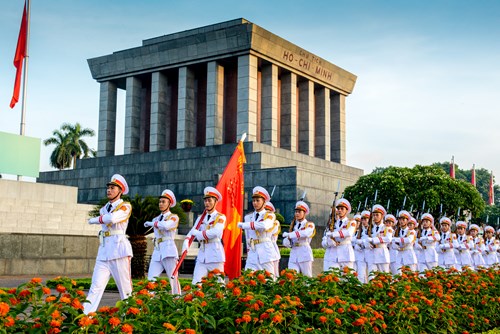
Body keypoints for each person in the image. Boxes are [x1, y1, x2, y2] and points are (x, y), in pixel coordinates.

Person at [84, 174, 133, 314]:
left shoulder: (125, 207)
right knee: (95, 287)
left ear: (120, 191)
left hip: (119, 250)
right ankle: (84, 319)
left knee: (125, 290)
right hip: (104, 250)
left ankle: (131, 318)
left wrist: (96, 220)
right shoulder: (104, 208)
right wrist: (101, 218)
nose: (109, 190)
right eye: (108, 188)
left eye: (113, 188)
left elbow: (112, 218)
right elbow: (107, 217)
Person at [182, 187, 226, 285]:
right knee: (196, 284)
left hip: (215, 256)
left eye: (209, 200)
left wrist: (198, 234)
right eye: (205, 201)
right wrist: (186, 240)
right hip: (202, 256)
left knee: (219, 285)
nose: (207, 203)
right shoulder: (200, 218)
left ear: (215, 202)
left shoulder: (220, 217)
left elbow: (216, 232)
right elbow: (192, 231)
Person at [144, 189, 181, 294]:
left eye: (164, 202)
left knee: (173, 278)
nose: (161, 204)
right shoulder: (156, 218)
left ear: (169, 203)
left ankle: (177, 302)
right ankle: (148, 303)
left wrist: (152, 224)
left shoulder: (173, 217)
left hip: (169, 250)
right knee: (151, 279)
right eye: (160, 201)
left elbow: (166, 225)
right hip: (157, 250)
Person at [238, 187, 279, 277]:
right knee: (247, 278)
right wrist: (248, 248)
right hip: (253, 251)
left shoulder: (270, 215)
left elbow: (265, 225)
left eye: (258, 200)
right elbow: (248, 235)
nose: (255, 203)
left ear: (264, 202)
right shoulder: (248, 217)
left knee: (269, 280)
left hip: (265, 252)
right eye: (253, 201)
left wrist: (245, 225)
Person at [282, 201, 315, 277]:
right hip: (294, 254)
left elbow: (305, 233)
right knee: (291, 277)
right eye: (296, 212)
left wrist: (290, 234)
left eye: (299, 212)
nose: (297, 214)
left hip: (304, 253)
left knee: (307, 278)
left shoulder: (309, 224)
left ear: (304, 213)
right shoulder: (293, 226)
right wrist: (287, 241)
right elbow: (287, 242)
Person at [322, 198, 356, 272]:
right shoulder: (333, 224)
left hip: (346, 253)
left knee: (347, 278)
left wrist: (333, 234)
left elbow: (348, 233)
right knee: (333, 277)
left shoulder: (351, 222)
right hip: (334, 255)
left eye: (342, 209)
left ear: (346, 211)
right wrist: (329, 242)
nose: (339, 210)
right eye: (338, 209)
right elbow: (325, 239)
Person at [365, 204, 393, 276]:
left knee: (384, 277)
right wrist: (367, 244)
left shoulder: (386, 228)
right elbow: (366, 239)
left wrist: (374, 240)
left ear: (382, 216)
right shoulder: (370, 228)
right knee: (371, 277)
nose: (375, 217)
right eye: (374, 215)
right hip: (372, 254)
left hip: (382, 254)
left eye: (377, 215)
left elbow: (388, 239)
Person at [352, 210, 370, 283]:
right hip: (360, 255)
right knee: (360, 275)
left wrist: (359, 242)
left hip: (370, 254)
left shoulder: (372, 230)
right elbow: (354, 239)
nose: (363, 221)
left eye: (365, 219)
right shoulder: (361, 230)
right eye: (362, 219)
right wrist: (356, 244)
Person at [265, 201, 281, 277]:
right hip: (262, 248)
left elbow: (271, 230)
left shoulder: (275, 222)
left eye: (267, 210)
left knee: (273, 273)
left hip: (272, 248)